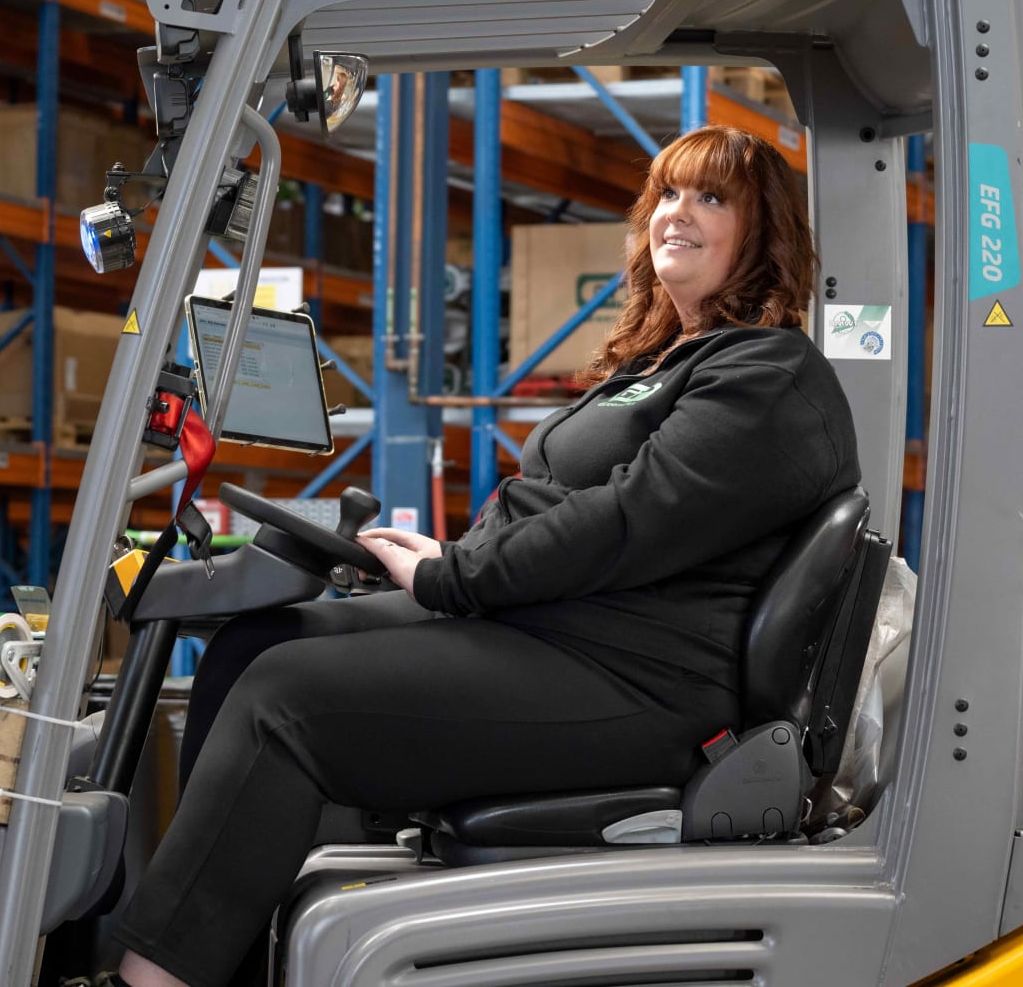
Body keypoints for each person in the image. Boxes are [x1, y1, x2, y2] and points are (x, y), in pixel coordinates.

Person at [112, 125, 861, 987]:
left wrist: (452, 576)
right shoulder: (666, 363)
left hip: (639, 679)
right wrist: (448, 555)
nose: (675, 214)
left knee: (285, 699)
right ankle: (220, 961)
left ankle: (157, 977)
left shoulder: (771, 376)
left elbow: (625, 522)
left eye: (711, 198)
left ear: (762, 231)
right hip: (553, 630)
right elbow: (557, 504)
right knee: (253, 644)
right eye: (667, 194)